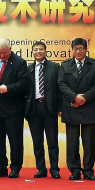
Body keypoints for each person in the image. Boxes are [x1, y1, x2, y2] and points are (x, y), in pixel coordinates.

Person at [58, 38, 95, 181]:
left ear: (86, 49)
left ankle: (88, 170)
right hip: (71, 106)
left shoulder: (94, 65)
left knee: (89, 142)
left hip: (88, 106)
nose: (78, 51)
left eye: (81, 48)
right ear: (72, 50)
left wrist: (83, 99)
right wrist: (75, 97)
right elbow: (61, 84)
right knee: (72, 142)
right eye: (75, 48)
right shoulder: (65, 65)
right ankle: (75, 170)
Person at [0, 39, 30, 178]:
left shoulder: (19, 62)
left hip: (13, 109)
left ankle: (15, 167)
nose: (1, 56)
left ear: (10, 49)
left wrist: (8, 88)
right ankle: (0, 167)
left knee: (15, 140)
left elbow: (24, 83)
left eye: (4, 53)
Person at [25, 41, 61, 179]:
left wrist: (60, 108)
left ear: (45, 51)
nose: (38, 51)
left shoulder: (55, 67)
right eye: (35, 49)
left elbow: (59, 90)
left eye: (41, 49)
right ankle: (41, 168)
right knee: (37, 141)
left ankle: (54, 169)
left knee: (52, 140)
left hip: (49, 107)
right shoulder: (28, 69)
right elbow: (25, 92)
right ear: (32, 52)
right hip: (34, 108)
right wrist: (26, 111)